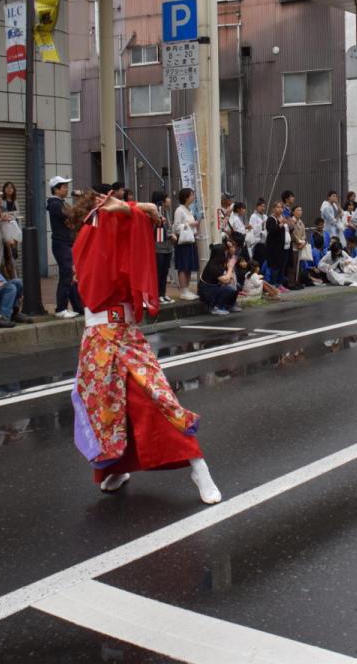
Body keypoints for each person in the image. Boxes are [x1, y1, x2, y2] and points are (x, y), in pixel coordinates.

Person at [66, 190, 221, 502]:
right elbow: (123, 218)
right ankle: (116, 468)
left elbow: (128, 219)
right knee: (108, 408)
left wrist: (132, 207)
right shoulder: (92, 234)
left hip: (118, 335)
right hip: (100, 337)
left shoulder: (99, 233)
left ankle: (197, 465)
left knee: (153, 398)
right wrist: (134, 207)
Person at [47, 176, 84, 318]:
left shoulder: (61, 202)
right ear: (56, 189)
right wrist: (82, 201)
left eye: (67, 187)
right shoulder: (55, 204)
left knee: (71, 275)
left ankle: (77, 306)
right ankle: (61, 308)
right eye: (64, 187)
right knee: (66, 274)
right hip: (62, 243)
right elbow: (73, 216)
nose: (67, 189)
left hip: (66, 242)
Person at [172, 188, 200, 301]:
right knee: (183, 266)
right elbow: (176, 227)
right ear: (186, 197)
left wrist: (193, 226)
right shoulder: (179, 210)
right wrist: (190, 224)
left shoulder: (189, 210)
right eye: (192, 195)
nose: (193, 197)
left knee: (189, 266)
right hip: (183, 242)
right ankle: (183, 291)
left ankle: (187, 289)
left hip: (190, 240)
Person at [148, 191, 175, 306]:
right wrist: (170, 235)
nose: (169, 199)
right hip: (159, 248)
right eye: (167, 197)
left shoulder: (166, 212)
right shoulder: (154, 212)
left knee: (164, 271)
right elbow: (158, 233)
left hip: (168, 247)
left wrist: (171, 234)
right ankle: (157, 294)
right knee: (158, 272)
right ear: (162, 200)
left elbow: (168, 227)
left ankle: (163, 293)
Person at [199, 243, 240, 315]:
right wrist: (230, 268)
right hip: (207, 290)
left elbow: (227, 279)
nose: (226, 253)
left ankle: (230, 305)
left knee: (237, 286)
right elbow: (225, 280)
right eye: (225, 252)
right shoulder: (213, 266)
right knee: (229, 289)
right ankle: (217, 307)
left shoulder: (219, 263)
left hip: (215, 287)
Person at [265, 201, 289, 289]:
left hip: (282, 246)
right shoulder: (271, 219)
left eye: (281, 207)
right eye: (278, 207)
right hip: (273, 247)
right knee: (274, 266)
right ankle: (272, 284)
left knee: (281, 266)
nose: (280, 209)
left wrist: (289, 224)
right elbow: (271, 231)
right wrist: (281, 224)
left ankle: (279, 284)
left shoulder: (282, 217)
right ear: (274, 209)